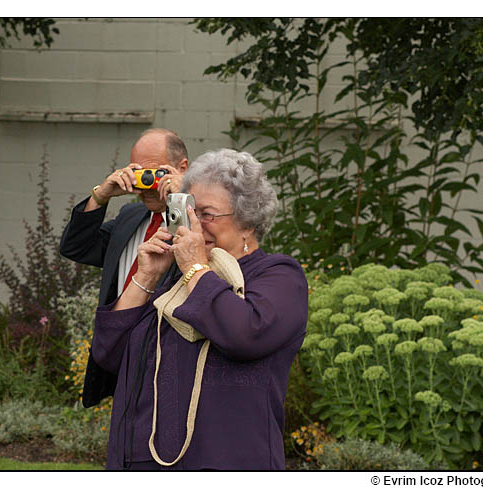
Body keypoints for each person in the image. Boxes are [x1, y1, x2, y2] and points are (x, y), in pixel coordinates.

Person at [92, 148, 308, 470]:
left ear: (247, 221)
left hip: (227, 465)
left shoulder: (278, 276)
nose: (194, 225)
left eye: (206, 214)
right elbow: (109, 354)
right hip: (141, 464)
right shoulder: (176, 282)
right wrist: (147, 276)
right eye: (187, 210)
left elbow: (244, 333)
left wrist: (194, 267)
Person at [60, 128, 190, 408]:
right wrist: (101, 196)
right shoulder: (130, 217)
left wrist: (183, 197)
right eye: (138, 173)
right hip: (123, 358)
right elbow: (76, 247)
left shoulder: (202, 222)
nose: (146, 184)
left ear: (182, 168)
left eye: (154, 174)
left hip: (171, 363)